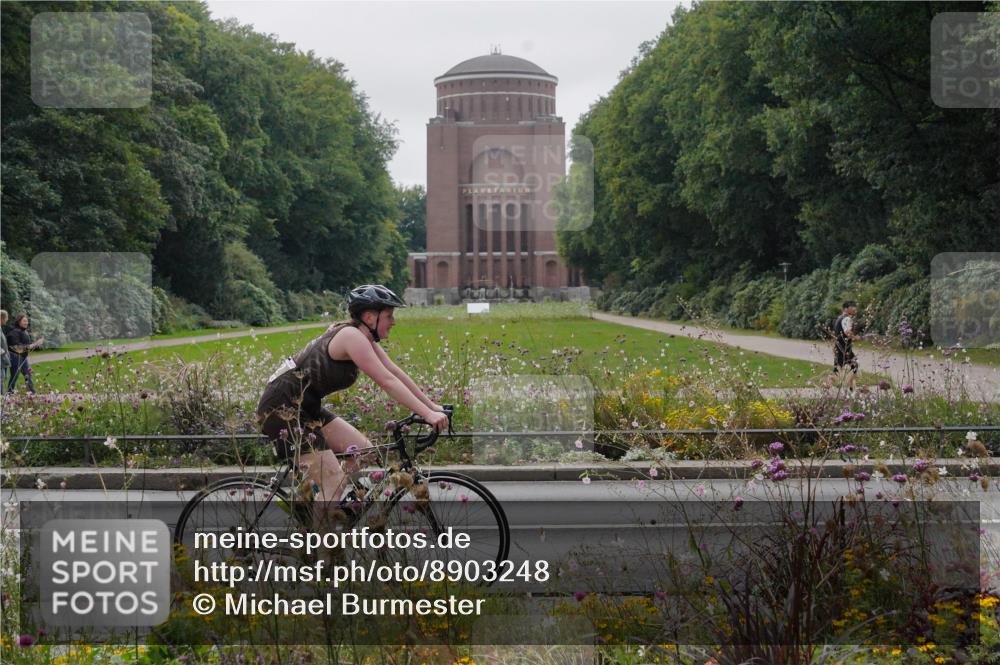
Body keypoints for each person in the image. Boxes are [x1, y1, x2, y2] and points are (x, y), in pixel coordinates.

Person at [256, 285, 449, 520]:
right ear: (370, 317)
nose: (394, 321)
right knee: (333, 481)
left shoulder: (363, 336)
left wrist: (432, 407)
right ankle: (317, 548)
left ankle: (316, 502)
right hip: (281, 408)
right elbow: (386, 381)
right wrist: (428, 415)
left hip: (307, 407)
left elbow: (394, 372)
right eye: (389, 315)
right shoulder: (351, 337)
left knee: (363, 452)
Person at [6, 313, 44, 393]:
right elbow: (18, 348)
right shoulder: (14, 332)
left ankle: (31, 392)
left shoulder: (24, 331)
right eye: (24, 321)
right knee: (15, 376)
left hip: (23, 357)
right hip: (15, 358)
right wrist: (34, 344)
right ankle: (9, 392)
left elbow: (26, 345)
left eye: (27, 321)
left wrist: (36, 344)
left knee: (28, 374)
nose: (26, 323)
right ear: (19, 321)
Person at [832, 301, 859, 392]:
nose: (855, 309)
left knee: (849, 366)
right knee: (853, 366)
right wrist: (855, 337)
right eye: (852, 307)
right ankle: (848, 386)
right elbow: (847, 332)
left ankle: (851, 387)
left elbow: (836, 334)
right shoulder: (847, 319)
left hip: (840, 348)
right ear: (846, 309)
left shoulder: (838, 319)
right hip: (844, 348)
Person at [0, 310, 10, 395]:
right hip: (1, 360)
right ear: (1, 318)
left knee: (3, 378)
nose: (7, 319)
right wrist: (3, 352)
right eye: (6, 318)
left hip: (3, 360)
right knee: (1, 379)